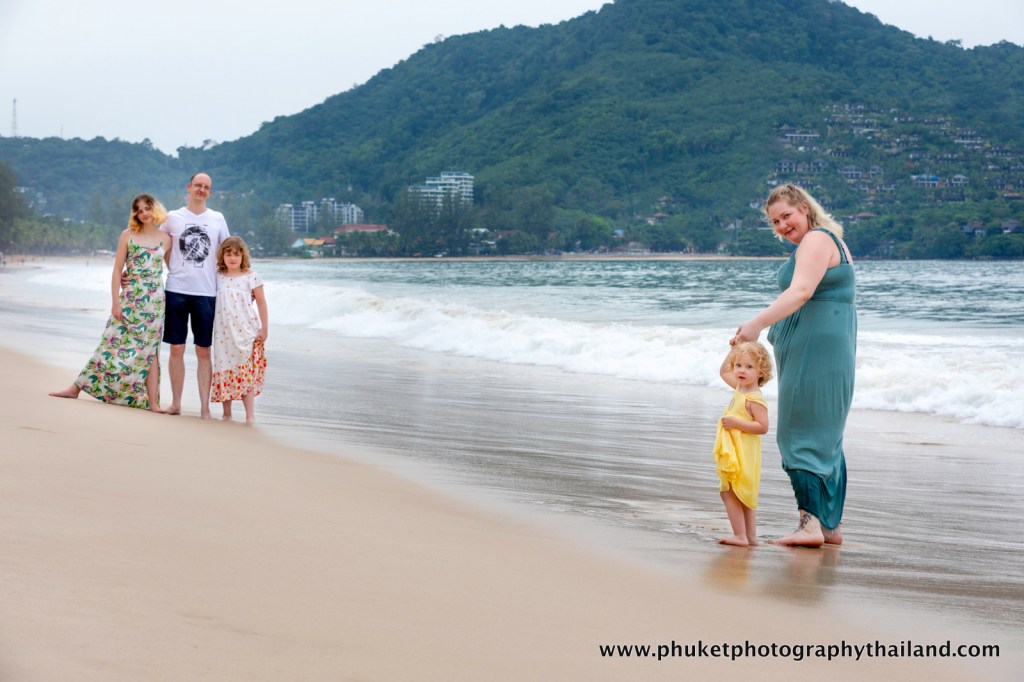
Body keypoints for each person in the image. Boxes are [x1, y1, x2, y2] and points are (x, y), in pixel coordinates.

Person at [732, 184, 856, 548]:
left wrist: (756, 324)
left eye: (787, 216)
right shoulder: (827, 241)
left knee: (799, 434)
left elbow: (801, 292)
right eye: (775, 222)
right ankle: (829, 527)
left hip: (815, 351)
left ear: (804, 208)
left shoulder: (817, 240)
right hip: (823, 349)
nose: (783, 226)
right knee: (824, 435)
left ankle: (810, 525)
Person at [50, 194, 172, 410]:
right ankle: (75, 388)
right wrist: (115, 302)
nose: (144, 213)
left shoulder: (167, 239)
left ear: (155, 209)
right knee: (110, 341)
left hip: (154, 304)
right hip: (130, 298)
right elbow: (117, 271)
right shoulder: (127, 235)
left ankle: (153, 403)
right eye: (139, 210)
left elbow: (176, 272)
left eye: (147, 208)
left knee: (150, 350)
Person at [160, 172, 230, 418]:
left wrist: (245, 285)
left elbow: (229, 253)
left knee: (203, 350)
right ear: (189, 187)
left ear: (210, 192)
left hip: (206, 292)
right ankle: (176, 403)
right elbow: (157, 246)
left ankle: (204, 408)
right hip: (176, 290)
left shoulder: (217, 218)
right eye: (198, 185)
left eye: (206, 187)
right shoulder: (172, 217)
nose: (202, 189)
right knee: (176, 349)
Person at [713, 342, 771, 547]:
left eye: (748, 367)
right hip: (736, 451)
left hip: (743, 454)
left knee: (731, 492)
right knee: (741, 493)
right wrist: (733, 349)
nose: (740, 370)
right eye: (738, 365)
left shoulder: (754, 399)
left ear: (761, 373)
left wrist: (736, 422)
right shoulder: (739, 387)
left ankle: (740, 535)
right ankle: (750, 537)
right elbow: (723, 371)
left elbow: (763, 427)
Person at [210, 236, 268, 423]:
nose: (232, 258)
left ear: (243, 256)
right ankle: (227, 414)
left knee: (245, 373)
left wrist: (264, 328)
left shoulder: (251, 276)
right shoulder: (217, 277)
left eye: (236, 254)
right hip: (223, 334)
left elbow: (261, 302)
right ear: (222, 256)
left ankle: (250, 416)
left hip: (246, 332)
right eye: (228, 254)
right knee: (224, 368)